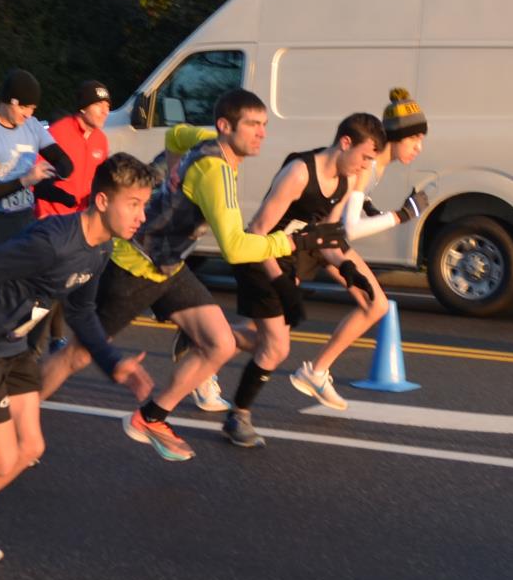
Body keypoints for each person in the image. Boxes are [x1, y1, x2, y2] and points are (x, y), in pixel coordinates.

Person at [39, 88, 344, 461]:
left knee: (220, 343)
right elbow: (234, 246)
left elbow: (174, 136)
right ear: (225, 126)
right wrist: (290, 242)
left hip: (169, 265)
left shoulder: (205, 140)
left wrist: (170, 172)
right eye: (252, 125)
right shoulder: (216, 173)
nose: (261, 133)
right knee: (79, 355)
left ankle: (151, 417)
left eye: (264, 125)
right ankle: (16, 415)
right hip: (135, 266)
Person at [0, 155, 158, 563]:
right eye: (133, 204)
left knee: (28, 449)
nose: (140, 216)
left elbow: (80, 311)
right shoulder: (52, 243)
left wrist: (114, 363)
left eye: (143, 205)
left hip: (16, 346)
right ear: (100, 200)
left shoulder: (99, 249)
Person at [216, 111, 385, 447]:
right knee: (277, 346)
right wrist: (280, 283)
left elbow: (327, 236)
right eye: (365, 157)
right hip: (257, 256)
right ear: (345, 142)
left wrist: (347, 269)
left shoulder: (347, 181)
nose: (366, 166)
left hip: (288, 258)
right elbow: (257, 231)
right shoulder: (298, 173)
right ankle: (239, 415)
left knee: (264, 339)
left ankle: (207, 341)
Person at [293, 89, 432, 402]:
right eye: (414, 140)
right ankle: (206, 347)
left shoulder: (375, 167)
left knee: (376, 304)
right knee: (268, 330)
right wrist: (402, 215)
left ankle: (315, 371)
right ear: (395, 137)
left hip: (326, 239)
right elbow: (351, 228)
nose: (418, 148)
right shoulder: (369, 166)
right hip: (310, 238)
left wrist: (374, 209)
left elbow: (352, 208)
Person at [0, 70, 73, 247]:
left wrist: (53, 178)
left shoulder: (32, 126)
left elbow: (63, 162)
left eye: (32, 108)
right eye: (24, 107)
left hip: (25, 217)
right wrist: (26, 180)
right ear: (10, 101)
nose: (28, 114)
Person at [36, 81, 113, 219]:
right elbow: (38, 179)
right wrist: (43, 216)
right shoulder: (58, 132)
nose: (105, 111)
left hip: (83, 220)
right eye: (98, 105)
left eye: (107, 106)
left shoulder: (101, 140)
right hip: (54, 220)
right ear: (83, 108)